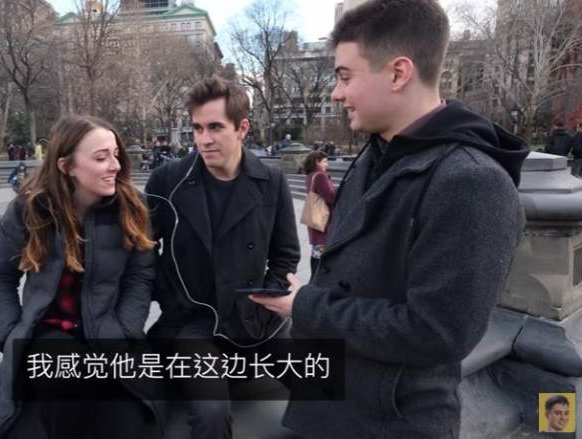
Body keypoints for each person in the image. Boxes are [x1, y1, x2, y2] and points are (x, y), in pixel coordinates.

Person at [249, 1, 528, 438]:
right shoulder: (375, 155)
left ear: (399, 73)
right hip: (331, 404)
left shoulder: (473, 182)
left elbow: (438, 332)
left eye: (345, 76)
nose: (336, 93)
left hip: (391, 423)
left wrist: (306, 306)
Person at [0, 115, 163, 439]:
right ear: (66, 166)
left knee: (133, 422)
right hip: (49, 335)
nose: (115, 165)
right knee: (68, 383)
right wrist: (9, 336)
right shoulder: (30, 208)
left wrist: (125, 330)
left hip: (109, 332)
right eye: (101, 158)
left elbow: (140, 276)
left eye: (115, 154)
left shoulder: (134, 208)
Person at [145, 75, 300, 439]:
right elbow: (142, 253)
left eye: (215, 127)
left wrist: (267, 299)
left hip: (255, 318)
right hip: (192, 324)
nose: (204, 139)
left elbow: (286, 255)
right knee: (212, 412)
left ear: (242, 128)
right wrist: (172, 298)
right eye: (197, 128)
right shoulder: (168, 180)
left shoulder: (271, 180)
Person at [301, 150, 336, 277]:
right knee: (321, 249)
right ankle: (316, 278)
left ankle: (314, 278)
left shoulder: (310, 176)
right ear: (317, 162)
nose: (327, 164)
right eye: (325, 162)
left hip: (315, 219)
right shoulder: (320, 176)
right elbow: (330, 196)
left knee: (317, 250)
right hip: (323, 220)